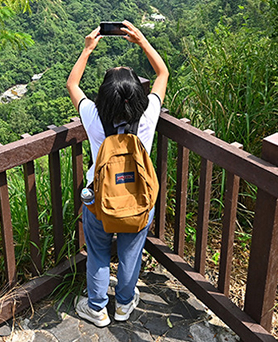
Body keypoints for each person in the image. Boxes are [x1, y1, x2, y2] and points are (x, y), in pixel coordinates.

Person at [66, 20, 169, 327]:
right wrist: (142, 41)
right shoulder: (148, 115)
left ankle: (97, 309)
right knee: (130, 254)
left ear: (104, 98)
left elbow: (72, 84)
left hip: (99, 201)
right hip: (139, 200)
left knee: (97, 253)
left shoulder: (93, 116)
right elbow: (163, 73)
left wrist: (87, 50)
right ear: (138, 94)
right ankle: (123, 305)